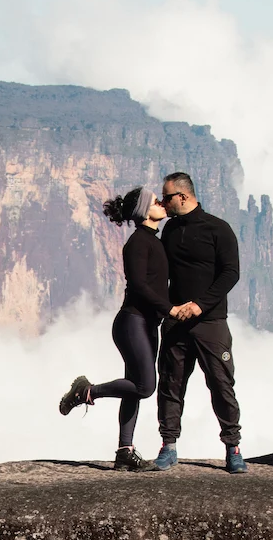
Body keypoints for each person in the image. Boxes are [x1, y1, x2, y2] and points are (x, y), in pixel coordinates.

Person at [58, 185, 173, 470]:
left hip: (147, 324)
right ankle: (86, 391)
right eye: (156, 202)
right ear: (145, 210)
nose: (162, 204)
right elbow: (138, 285)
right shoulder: (137, 243)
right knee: (145, 387)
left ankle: (125, 451)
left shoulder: (153, 241)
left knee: (133, 388)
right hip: (132, 322)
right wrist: (168, 309)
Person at [154, 172, 248, 474]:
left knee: (221, 383)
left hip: (211, 322)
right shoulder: (169, 230)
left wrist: (200, 305)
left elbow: (230, 273)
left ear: (183, 196)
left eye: (167, 197)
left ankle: (233, 448)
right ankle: (168, 446)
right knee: (170, 383)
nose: (163, 203)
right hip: (175, 322)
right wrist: (168, 309)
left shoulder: (218, 229)